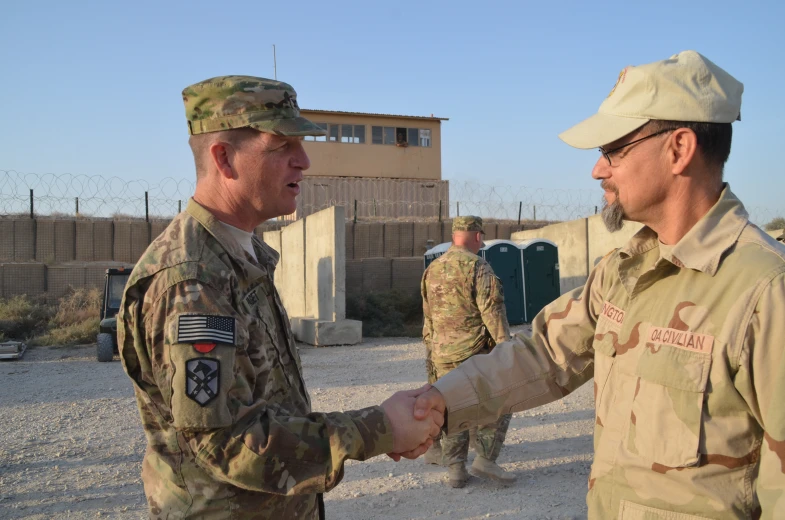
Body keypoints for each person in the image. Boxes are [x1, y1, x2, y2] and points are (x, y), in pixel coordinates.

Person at [413, 51, 785, 518]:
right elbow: (545, 355)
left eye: (614, 150)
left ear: (680, 148)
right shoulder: (624, 270)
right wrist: (437, 403)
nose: (598, 170)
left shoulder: (765, 291)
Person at [117, 75, 441, 519]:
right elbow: (228, 442)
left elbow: (266, 405)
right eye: (281, 147)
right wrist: (377, 429)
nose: (304, 161)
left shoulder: (236, 255)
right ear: (224, 158)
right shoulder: (194, 283)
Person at [421, 216, 515, 488]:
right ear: (475, 236)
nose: (482, 242)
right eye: (482, 237)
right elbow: (492, 312)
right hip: (474, 353)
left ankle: (455, 471)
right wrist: (505, 349)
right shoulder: (479, 267)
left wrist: (433, 355)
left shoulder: (432, 269)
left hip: (441, 355)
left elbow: (428, 318)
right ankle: (485, 458)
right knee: (498, 401)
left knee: (452, 407)